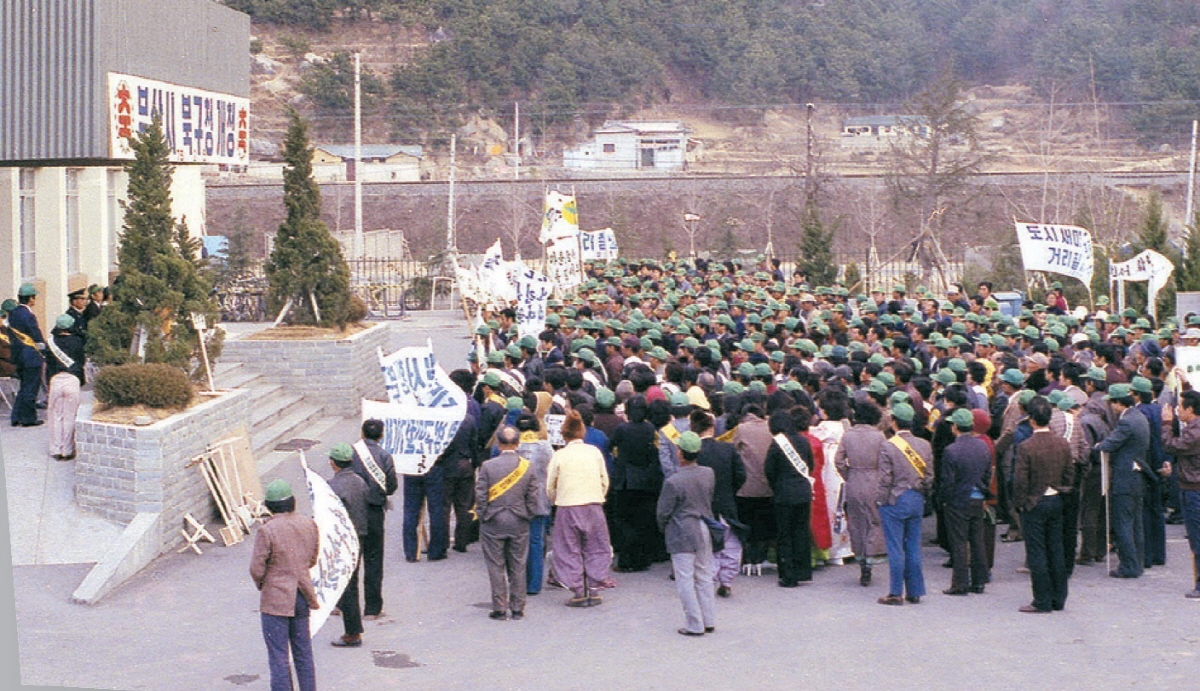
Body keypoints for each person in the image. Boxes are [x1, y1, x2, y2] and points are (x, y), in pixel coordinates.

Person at [249, 479, 320, 691]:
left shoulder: (267, 530)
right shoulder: (309, 524)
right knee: (303, 652)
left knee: (279, 655)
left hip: (276, 599)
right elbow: (312, 558)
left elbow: (256, 567)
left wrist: (265, 583)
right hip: (302, 594)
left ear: (270, 506)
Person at [1013, 396, 1074, 613]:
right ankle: (1059, 597)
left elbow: (1020, 479)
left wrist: (1020, 503)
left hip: (1034, 502)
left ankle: (1042, 599)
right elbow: (1069, 473)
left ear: (1031, 420)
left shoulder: (1026, 447)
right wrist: (1062, 489)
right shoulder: (1062, 443)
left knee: (1037, 552)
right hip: (1056, 497)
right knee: (1056, 549)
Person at [546, 410, 613, 607]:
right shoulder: (594, 452)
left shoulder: (559, 455)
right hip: (593, 504)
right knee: (596, 547)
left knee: (569, 549)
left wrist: (556, 499)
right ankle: (594, 588)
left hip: (568, 505)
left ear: (564, 435)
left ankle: (578, 590)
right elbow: (604, 480)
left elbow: (550, 485)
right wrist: (598, 495)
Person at [476, 426, 542, 620]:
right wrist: (528, 514)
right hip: (519, 520)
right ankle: (517, 607)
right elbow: (533, 495)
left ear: (498, 443)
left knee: (495, 565)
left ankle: (499, 607)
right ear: (517, 443)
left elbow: (480, 496)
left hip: (493, 520)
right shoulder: (527, 466)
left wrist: (483, 515)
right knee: (518, 565)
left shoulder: (488, 466)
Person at [657, 431, 717, 636]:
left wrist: (663, 527)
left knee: (685, 578)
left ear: (680, 453)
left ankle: (694, 622)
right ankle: (708, 619)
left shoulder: (673, 481)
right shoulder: (708, 473)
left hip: (682, 529)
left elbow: (663, 512)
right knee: (704, 575)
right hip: (704, 526)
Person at [876, 403, 933, 605]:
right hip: (916, 497)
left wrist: (881, 500)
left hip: (895, 498)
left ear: (893, 422)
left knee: (895, 547)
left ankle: (895, 592)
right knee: (913, 546)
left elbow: (885, 479)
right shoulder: (924, 444)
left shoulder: (888, 445)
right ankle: (915, 590)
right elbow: (928, 476)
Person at [1095, 383, 1153, 579]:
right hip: (1137, 475)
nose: (1111, 407)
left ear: (1118, 403)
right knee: (1136, 523)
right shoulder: (1140, 417)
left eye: (1112, 403)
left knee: (1123, 523)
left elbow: (1110, 444)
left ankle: (1128, 565)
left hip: (1125, 477)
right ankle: (1136, 562)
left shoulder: (1126, 422)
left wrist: (1097, 446)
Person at [692, 409, 746, 597]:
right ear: (712, 428)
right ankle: (727, 580)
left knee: (708, 545)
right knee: (731, 542)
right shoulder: (727, 449)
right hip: (726, 500)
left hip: (703, 504)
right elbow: (741, 475)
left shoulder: (693, 452)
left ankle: (709, 580)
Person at [939, 407, 993, 596]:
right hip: (977, 497)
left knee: (959, 541)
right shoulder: (983, 446)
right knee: (977, 539)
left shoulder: (951, 450)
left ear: (955, 427)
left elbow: (948, 481)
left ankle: (960, 583)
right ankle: (979, 580)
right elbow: (988, 472)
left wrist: (944, 499)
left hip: (958, 500)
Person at [834, 401, 888, 586]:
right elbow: (886, 462)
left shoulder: (848, 435)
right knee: (874, 521)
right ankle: (871, 557)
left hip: (855, 478)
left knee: (856, 523)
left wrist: (848, 474)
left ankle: (860, 560)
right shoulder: (879, 436)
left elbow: (839, 460)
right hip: (874, 479)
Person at [349, 419, 397, 620]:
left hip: (352, 511)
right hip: (375, 512)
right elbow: (392, 486)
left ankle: (346, 606)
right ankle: (372, 609)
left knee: (351, 561)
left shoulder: (351, 452)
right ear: (381, 435)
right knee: (374, 560)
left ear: (362, 433)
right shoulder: (385, 456)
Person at [763, 407, 814, 588]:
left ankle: (788, 575)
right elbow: (810, 465)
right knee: (801, 531)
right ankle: (803, 571)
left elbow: (769, 470)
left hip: (784, 493)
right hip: (803, 492)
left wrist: (776, 485)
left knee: (785, 534)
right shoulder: (803, 440)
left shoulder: (776, 444)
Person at [327, 443, 369, 647]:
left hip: (342, 539)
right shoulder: (360, 482)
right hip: (359, 534)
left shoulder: (333, 486)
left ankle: (352, 632)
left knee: (347, 585)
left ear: (333, 463)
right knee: (351, 581)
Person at [1160, 390, 1200, 598]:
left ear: (1190, 409)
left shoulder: (1194, 432)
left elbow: (1172, 445)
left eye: (1181, 407)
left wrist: (1166, 424)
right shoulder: (1193, 428)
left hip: (1194, 488)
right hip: (1190, 484)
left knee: (1197, 537)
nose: (1177, 411)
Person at [514, 412, 554, 595]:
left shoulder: (513, 447)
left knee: (516, 543)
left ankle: (517, 581)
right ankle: (534, 584)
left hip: (516, 502)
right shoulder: (545, 447)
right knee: (536, 541)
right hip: (539, 501)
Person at [45, 314, 85, 461]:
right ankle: (67, 450)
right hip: (72, 379)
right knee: (70, 416)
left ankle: (56, 449)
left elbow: (48, 365)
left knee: (56, 416)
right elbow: (81, 362)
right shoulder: (78, 341)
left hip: (56, 379)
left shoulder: (50, 342)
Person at [7, 283, 46, 427]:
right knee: (30, 388)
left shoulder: (14, 313)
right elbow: (34, 333)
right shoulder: (28, 315)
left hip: (18, 355)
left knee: (23, 387)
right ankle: (28, 419)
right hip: (30, 355)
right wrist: (43, 348)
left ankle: (16, 416)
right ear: (30, 298)